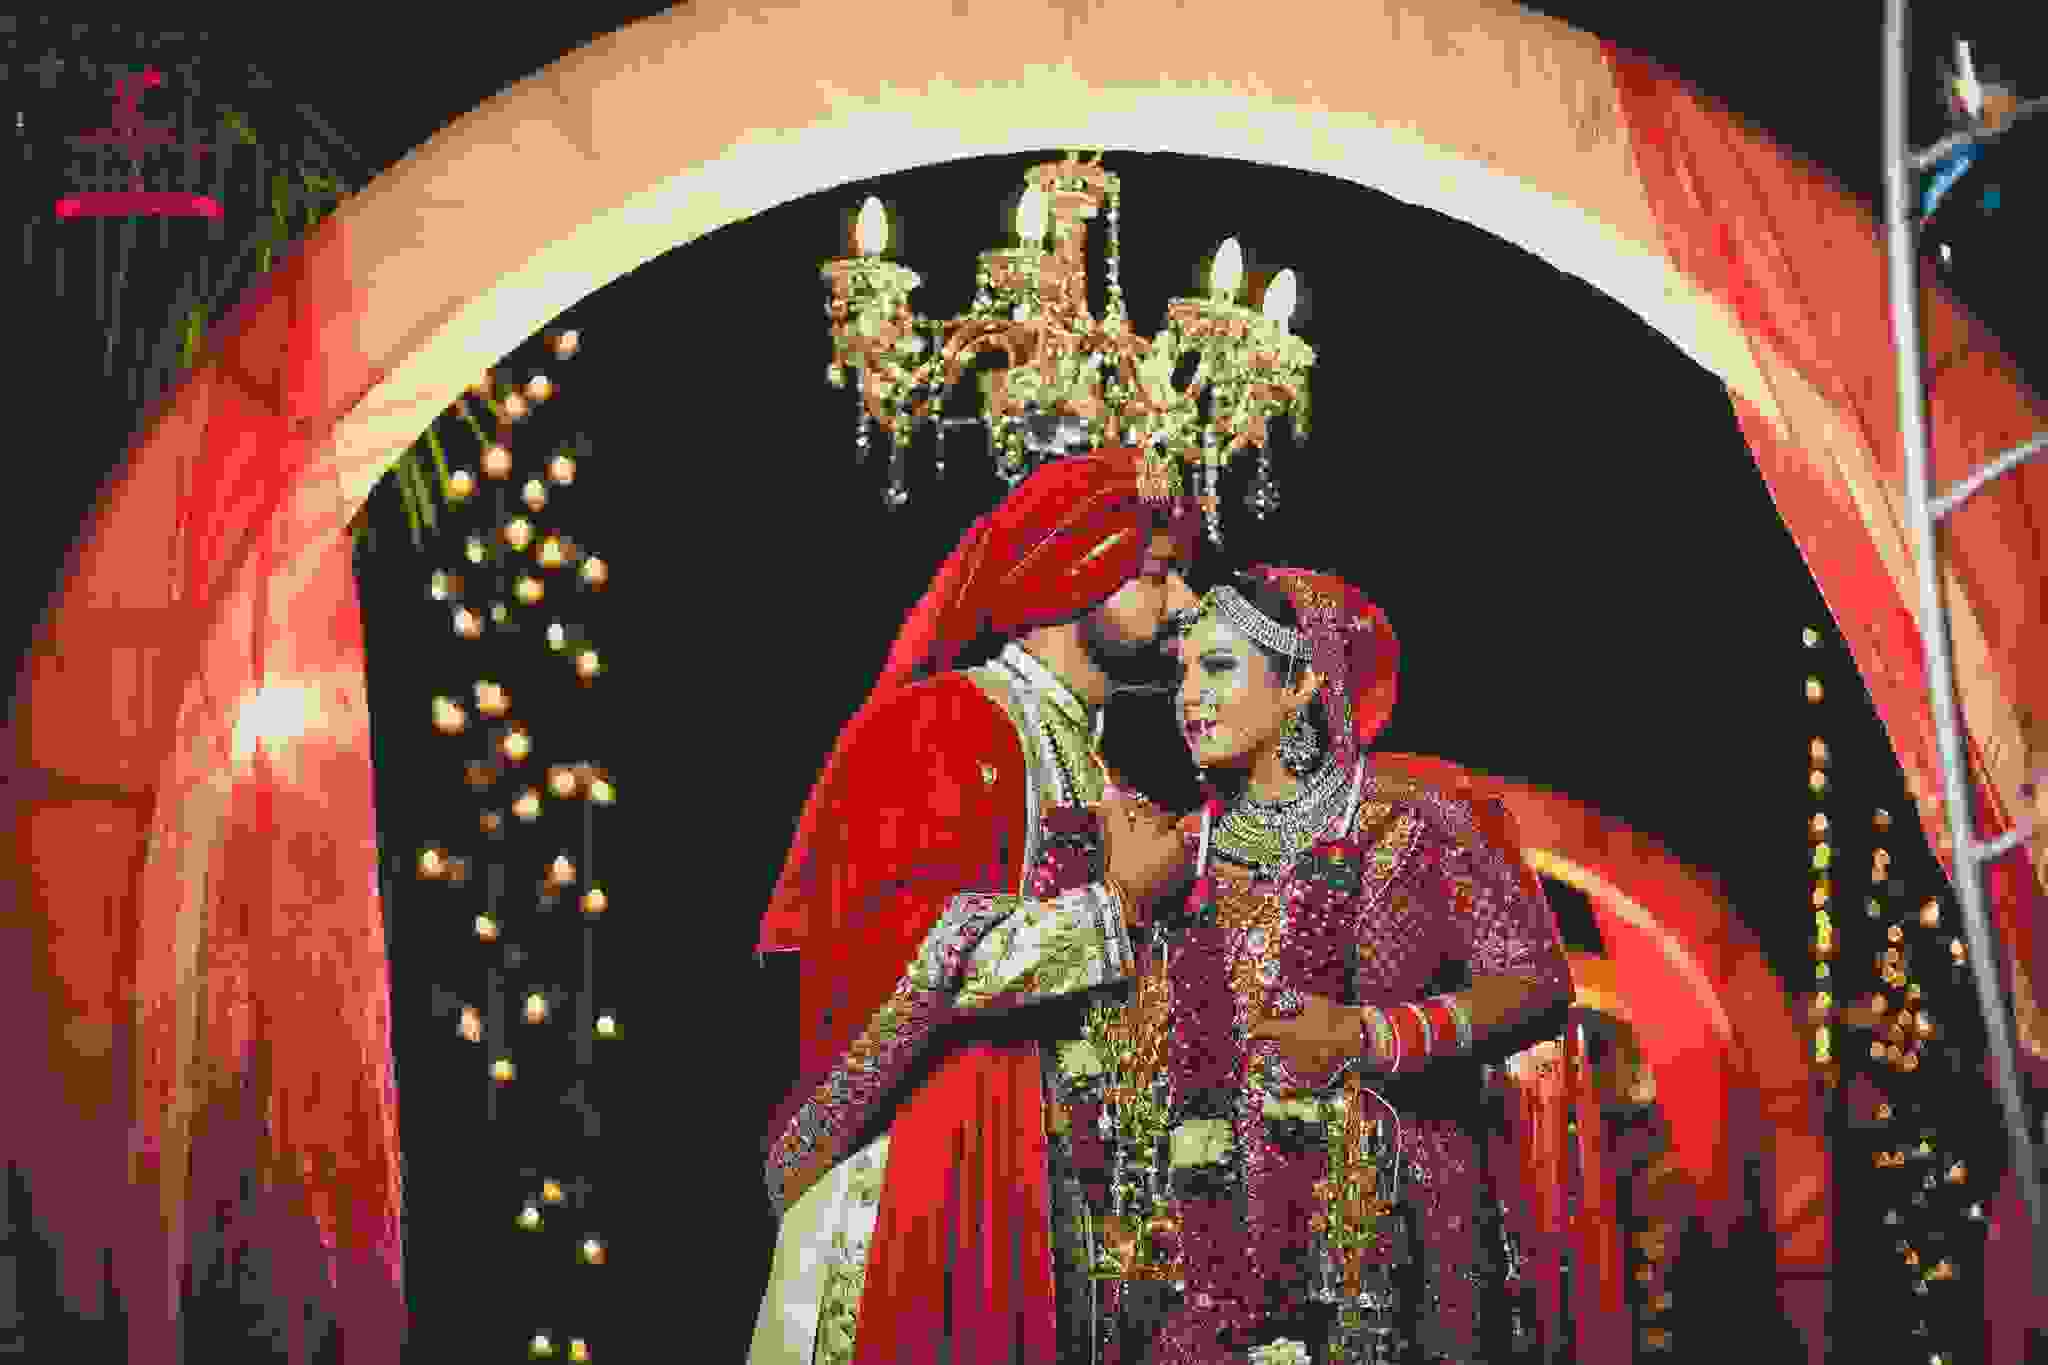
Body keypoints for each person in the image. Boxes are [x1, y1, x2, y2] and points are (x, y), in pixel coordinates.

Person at [749, 445, 1207, 1365]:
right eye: (1157, 573)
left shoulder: (1097, 764)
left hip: (1048, 1207)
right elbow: (916, 960)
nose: (1187, 603)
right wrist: (1115, 908)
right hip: (930, 1188)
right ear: (1075, 571)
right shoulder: (947, 724)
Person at [1076, 567, 1574, 1365]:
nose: (1189, 696)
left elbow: (1538, 982)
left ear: (1301, 683)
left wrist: (1373, 1035)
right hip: (1217, 1237)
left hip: (1390, 1227)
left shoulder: (1417, 822)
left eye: (1219, 666)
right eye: (1183, 672)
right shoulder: (1182, 853)